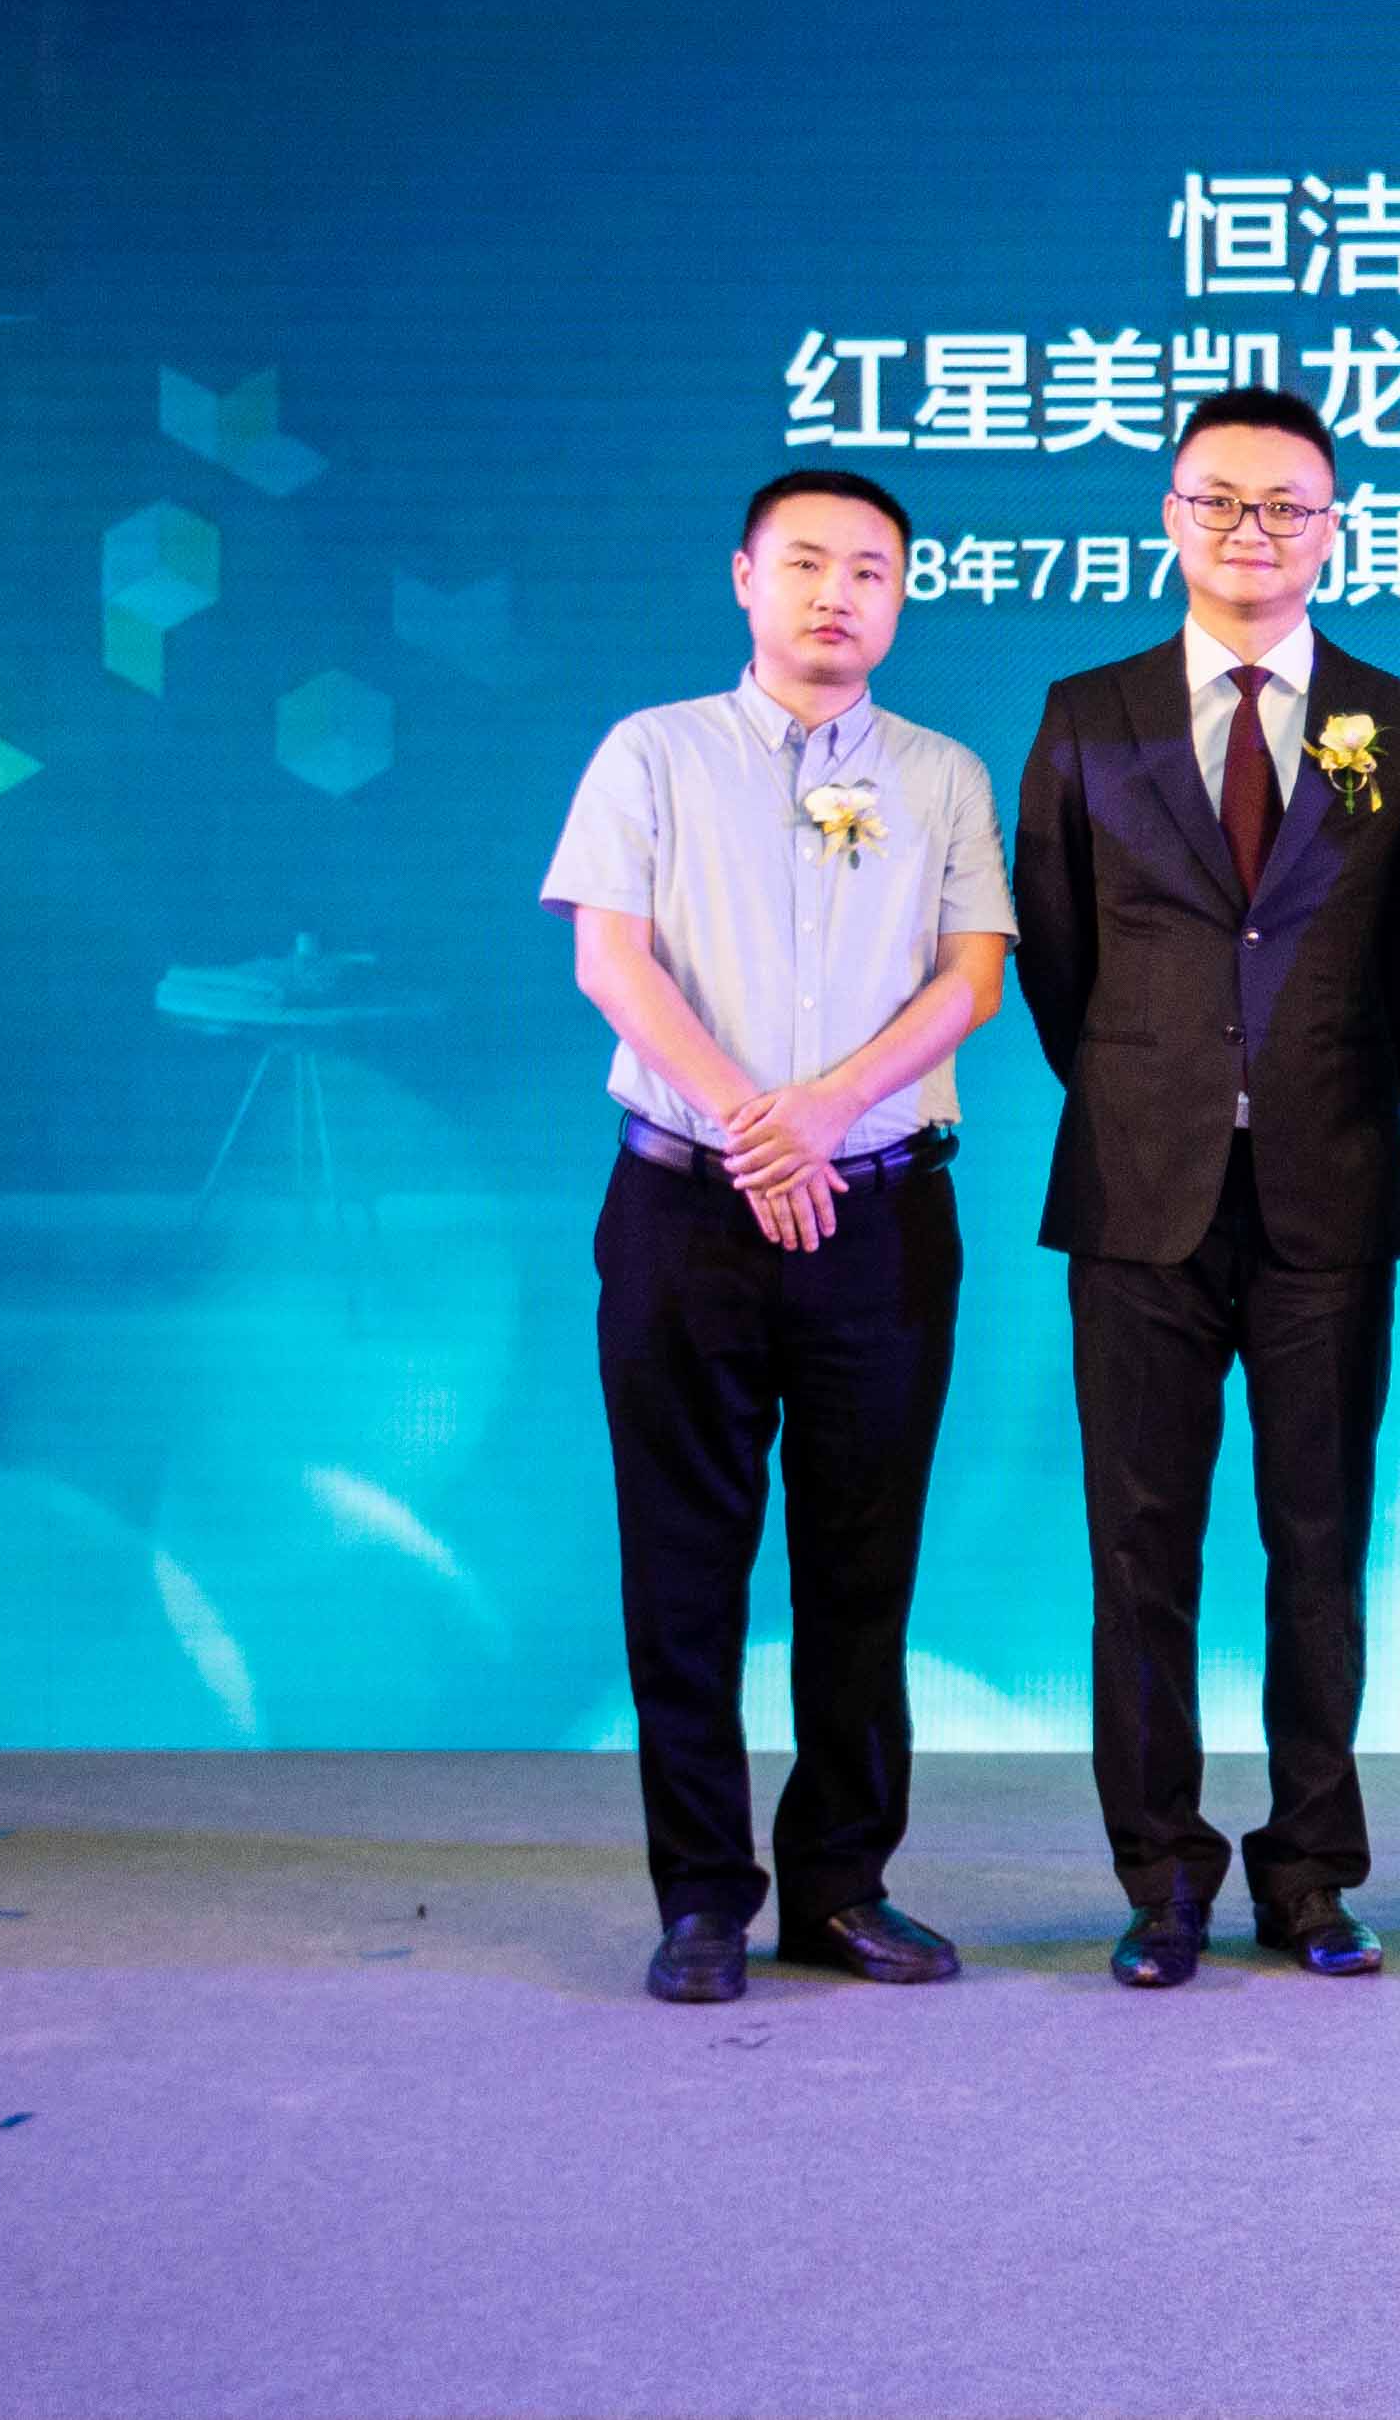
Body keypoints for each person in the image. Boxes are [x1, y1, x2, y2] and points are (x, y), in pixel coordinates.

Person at [1013, 387, 1400, 1991]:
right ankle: (1160, 1872)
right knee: (1138, 1548)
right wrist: (1170, 1095)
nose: (1251, 530)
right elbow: (1059, 958)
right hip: (1139, 1190)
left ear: (1333, 528)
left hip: (1327, 1189)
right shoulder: (1091, 710)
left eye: (1287, 505)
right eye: (1219, 500)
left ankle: (1312, 1872)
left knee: (1317, 1542)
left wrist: (1315, 1094)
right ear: (1171, 516)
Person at [541, 469, 1014, 2005]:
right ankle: (699, 1895)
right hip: (687, 1206)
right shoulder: (653, 751)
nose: (836, 593)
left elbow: (970, 980)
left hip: (879, 1212)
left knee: (861, 1563)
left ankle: (840, 1886)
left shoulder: (942, 773)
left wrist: (825, 1113)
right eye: (805, 562)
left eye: (870, 570)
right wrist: (757, 1122)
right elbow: (610, 959)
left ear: (902, 596)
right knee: (683, 1560)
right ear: (744, 577)